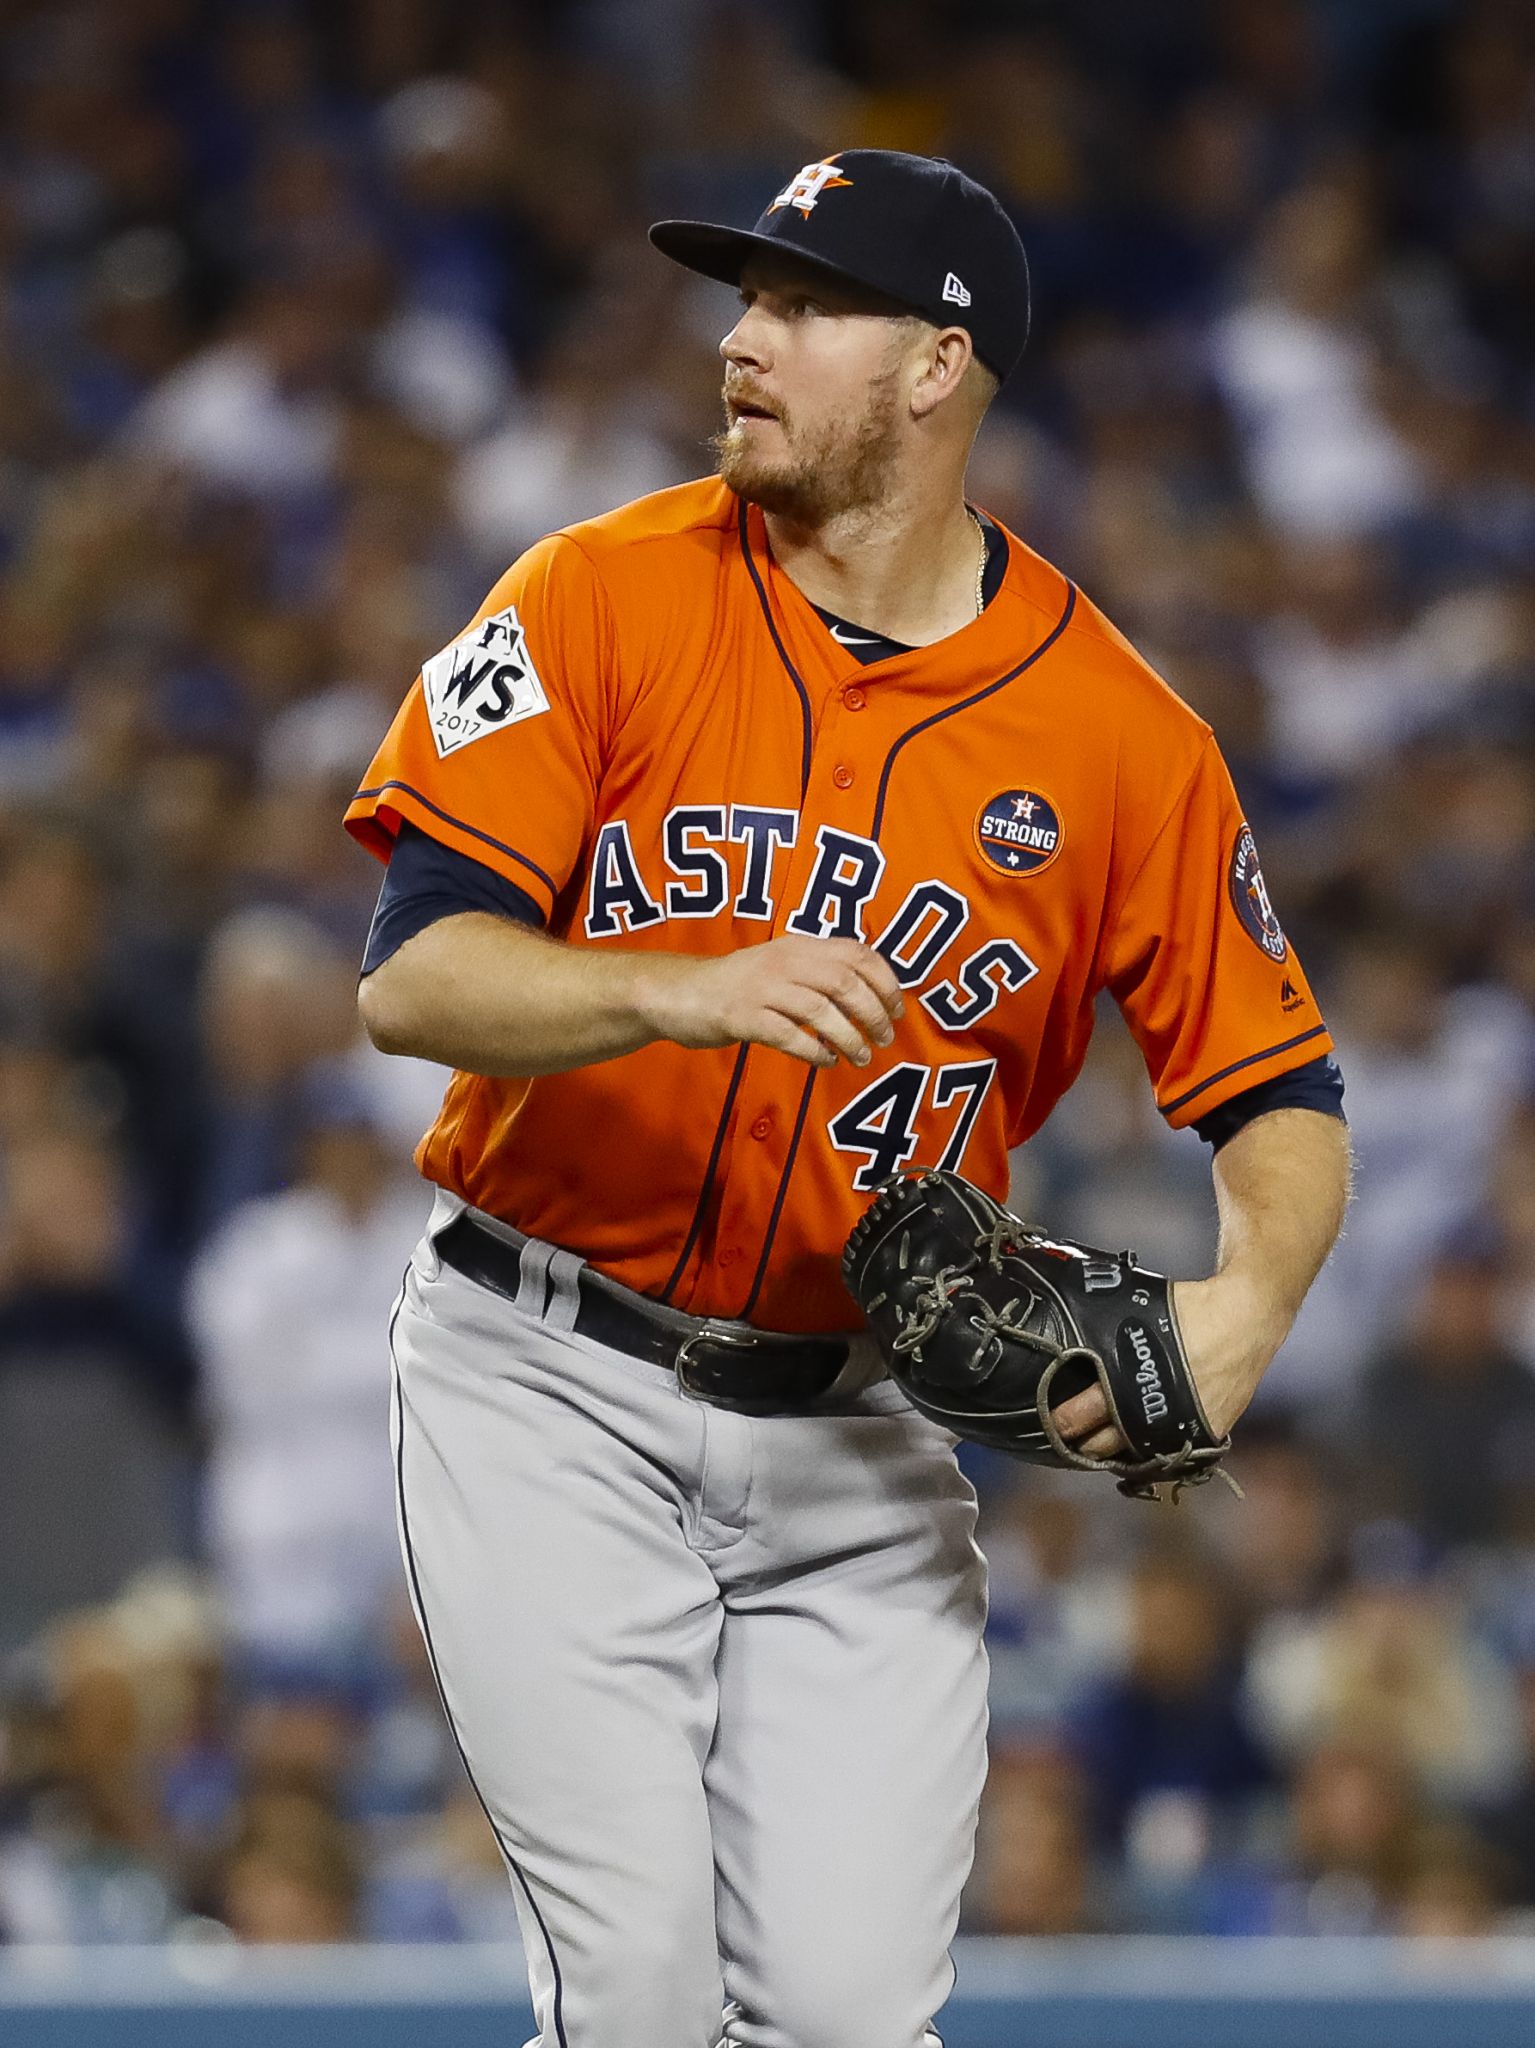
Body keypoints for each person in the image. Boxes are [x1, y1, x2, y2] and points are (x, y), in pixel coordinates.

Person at [346, 150, 1352, 2048]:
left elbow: (1278, 1089)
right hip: (543, 1379)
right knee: (636, 2001)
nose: (745, 342)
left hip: (861, 1428)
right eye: (746, 302)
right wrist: (674, 981)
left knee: (847, 2019)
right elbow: (413, 977)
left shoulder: (1123, 739)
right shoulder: (600, 594)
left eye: (807, 308)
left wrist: (1250, 1309)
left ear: (936, 367)